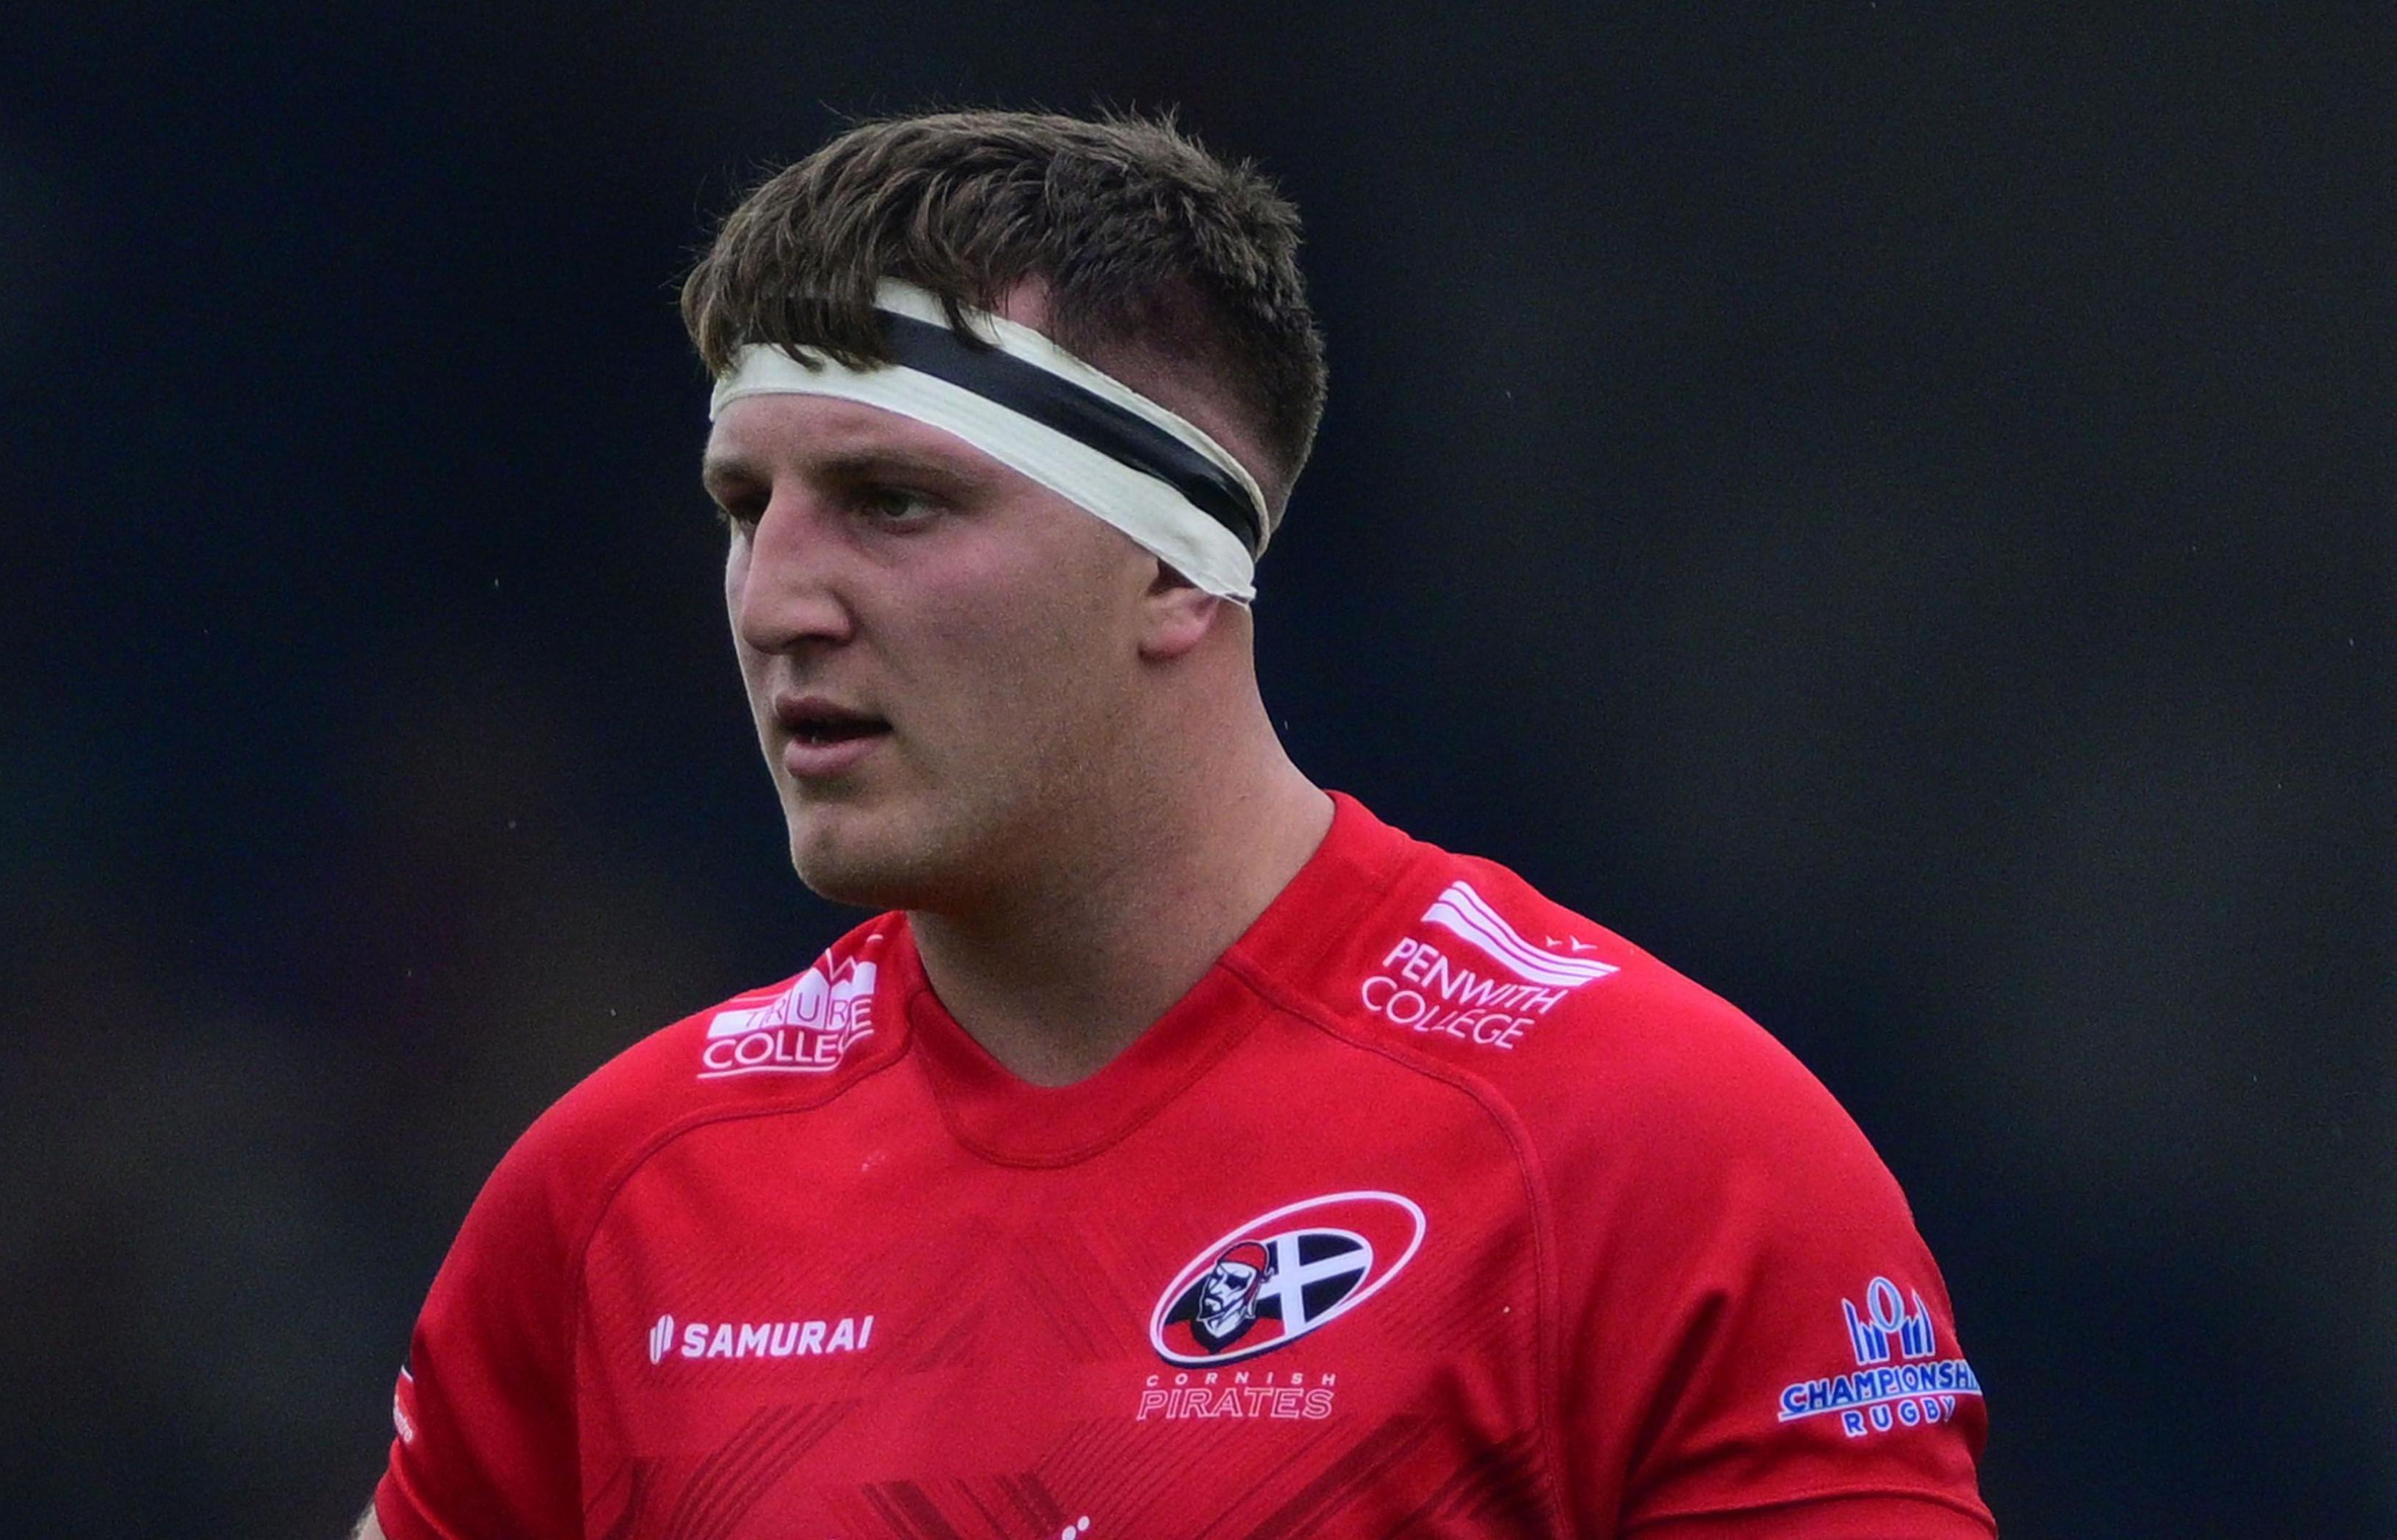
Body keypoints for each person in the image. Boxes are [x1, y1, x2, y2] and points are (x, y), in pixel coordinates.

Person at [355, 109, 1991, 1539]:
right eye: (742, 508)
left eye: (894, 502)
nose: (776, 600)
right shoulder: (618, 1193)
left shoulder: (1649, 1153)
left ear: (1174, 568)